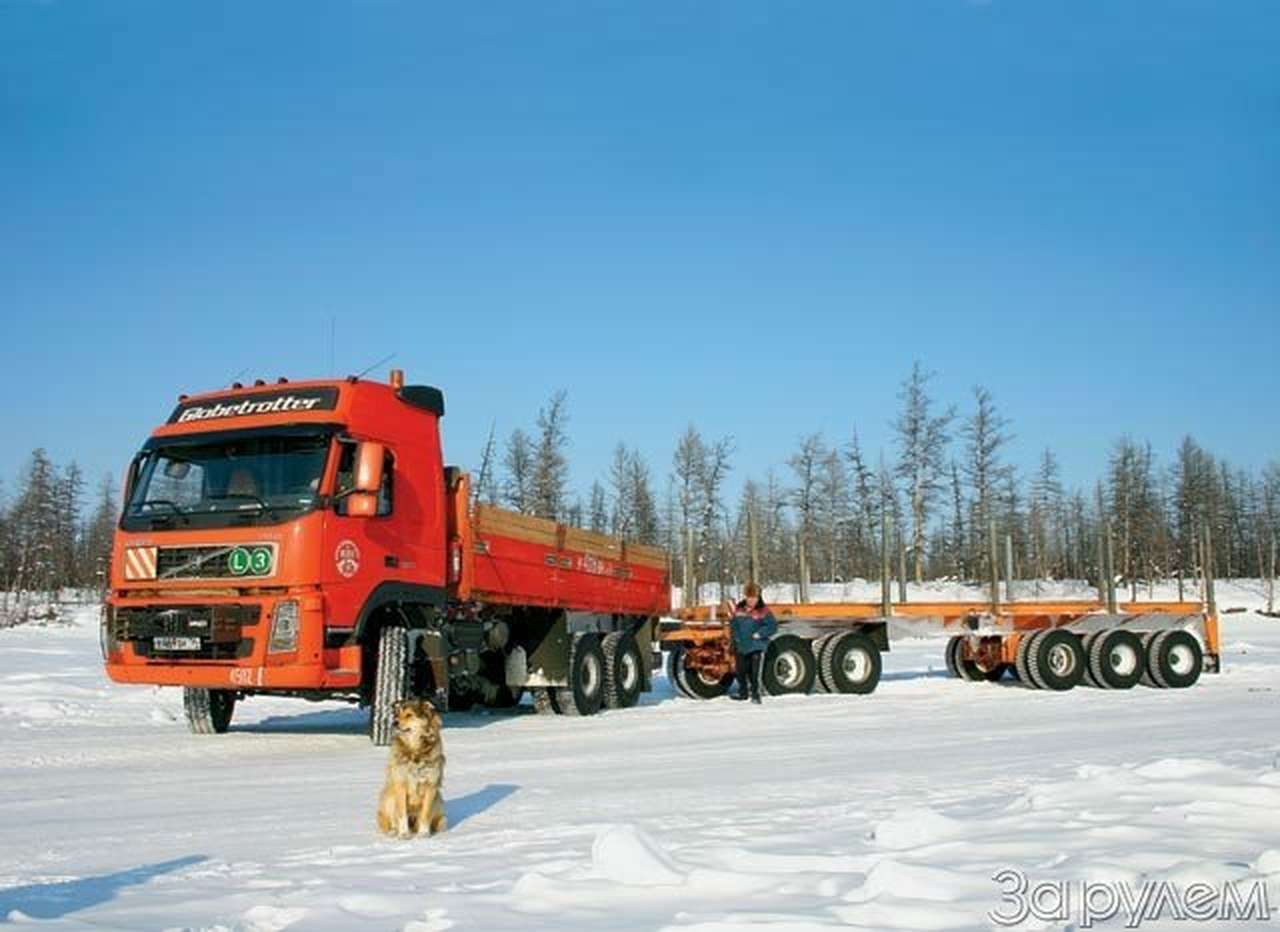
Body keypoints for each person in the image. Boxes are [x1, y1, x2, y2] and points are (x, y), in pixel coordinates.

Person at [726, 583, 777, 703]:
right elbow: (734, 625)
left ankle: (756, 694)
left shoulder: (763, 610)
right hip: (742, 645)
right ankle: (743, 692)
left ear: (758, 597)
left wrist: (760, 634)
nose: (752, 600)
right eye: (749, 597)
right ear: (746, 597)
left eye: (754, 598)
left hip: (756, 645)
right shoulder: (739, 609)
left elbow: (772, 626)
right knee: (740, 671)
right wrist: (734, 640)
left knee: (755, 672)